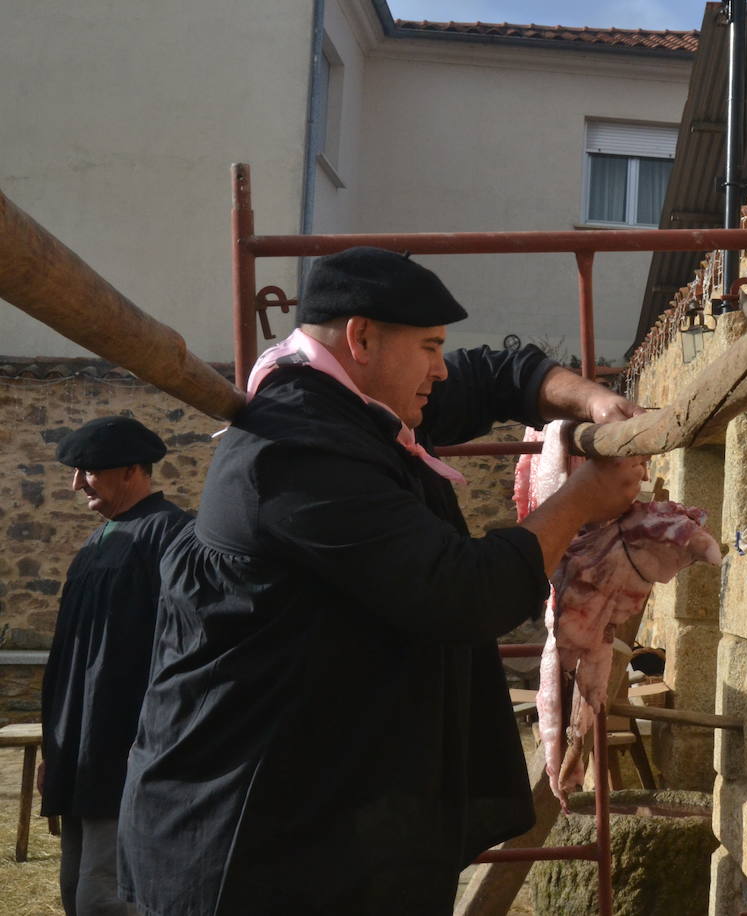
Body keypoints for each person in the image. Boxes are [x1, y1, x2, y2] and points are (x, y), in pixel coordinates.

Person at [117, 247, 647, 915]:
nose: (441, 367)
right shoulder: (298, 452)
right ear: (362, 337)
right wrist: (578, 502)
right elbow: (461, 592)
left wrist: (593, 399)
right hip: (251, 840)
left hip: (329, 818)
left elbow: (495, 374)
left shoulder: (345, 401)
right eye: (428, 347)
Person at [41, 416, 192, 916]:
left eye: (89, 470)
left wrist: (156, 743)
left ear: (132, 470)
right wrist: (55, 746)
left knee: (105, 898)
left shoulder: (169, 534)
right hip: (80, 747)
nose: (77, 482)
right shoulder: (99, 541)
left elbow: (181, 650)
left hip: (125, 746)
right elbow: (74, 659)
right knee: (74, 888)